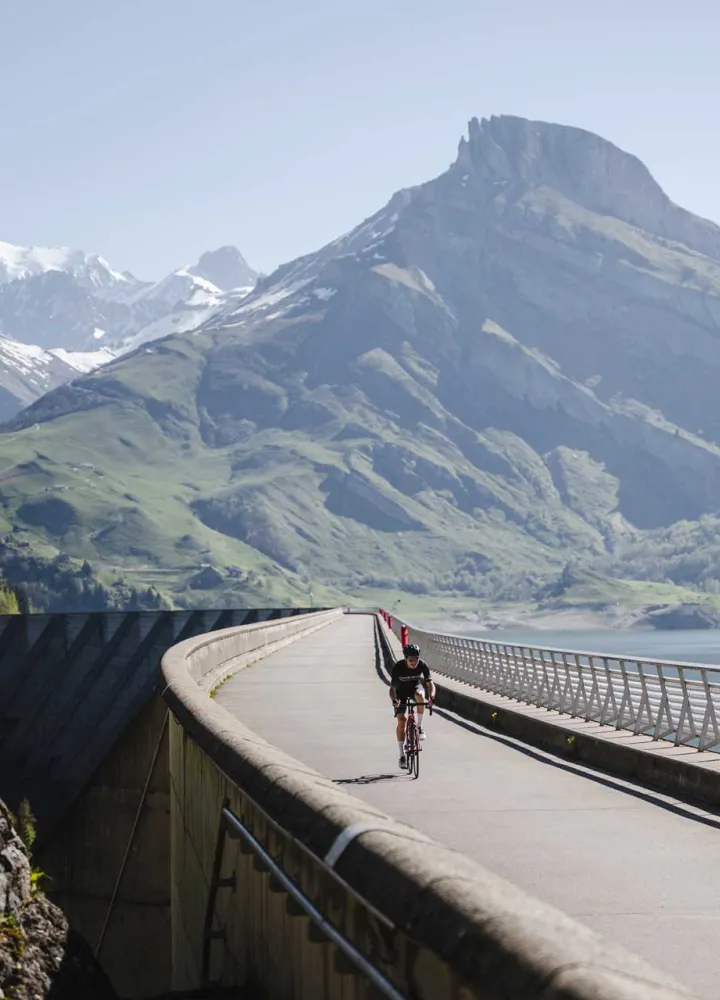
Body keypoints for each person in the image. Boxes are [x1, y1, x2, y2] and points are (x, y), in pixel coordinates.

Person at [389, 642, 436, 769]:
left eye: (416, 659)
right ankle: (401, 756)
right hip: (400, 693)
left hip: (414, 688)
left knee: (421, 696)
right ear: (405, 659)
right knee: (402, 721)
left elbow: (430, 683)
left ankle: (419, 727)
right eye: (411, 660)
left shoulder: (422, 665)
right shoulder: (398, 667)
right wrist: (395, 700)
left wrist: (431, 696)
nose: (414, 662)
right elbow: (392, 689)